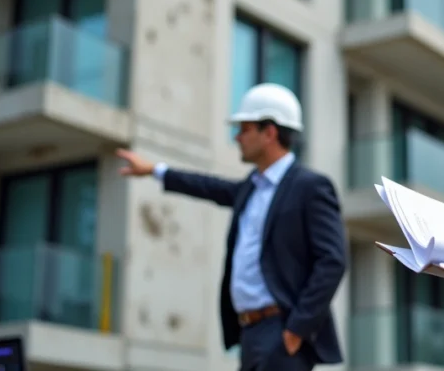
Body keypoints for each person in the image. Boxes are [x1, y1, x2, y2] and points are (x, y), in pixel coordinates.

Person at [116, 83, 347, 371]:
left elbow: (333, 260)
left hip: (282, 331)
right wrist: (154, 170)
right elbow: (208, 186)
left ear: (270, 132)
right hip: (250, 331)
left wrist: (296, 329)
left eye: (244, 128)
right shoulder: (250, 188)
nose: (237, 137)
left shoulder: (310, 187)